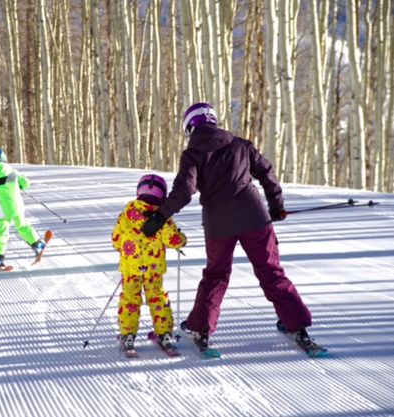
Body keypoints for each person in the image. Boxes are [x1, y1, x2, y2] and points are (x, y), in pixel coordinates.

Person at [141, 102, 314, 352]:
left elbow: (184, 191)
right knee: (271, 271)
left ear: (190, 127)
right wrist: (276, 206)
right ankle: (297, 325)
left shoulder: (192, 154)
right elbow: (267, 172)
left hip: (219, 224)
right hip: (255, 217)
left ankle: (200, 328)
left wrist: (159, 218)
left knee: (216, 275)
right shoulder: (240, 144)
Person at [112, 174, 187, 353]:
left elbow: (116, 239)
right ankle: (164, 334)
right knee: (157, 298)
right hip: (153, 270)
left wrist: (125, 248)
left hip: (131, 269)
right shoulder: (162, 217)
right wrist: (182, 240)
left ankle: (128, 334)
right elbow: (173, 239)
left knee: (130, 299)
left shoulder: (127, 214)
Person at [0, 149, 47, 268]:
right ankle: (37, 245)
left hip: (1, 211)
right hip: (16, 207)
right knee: (23, 226)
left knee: (1, 233)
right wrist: (20, 185)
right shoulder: (13, 172)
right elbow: (26, 183)